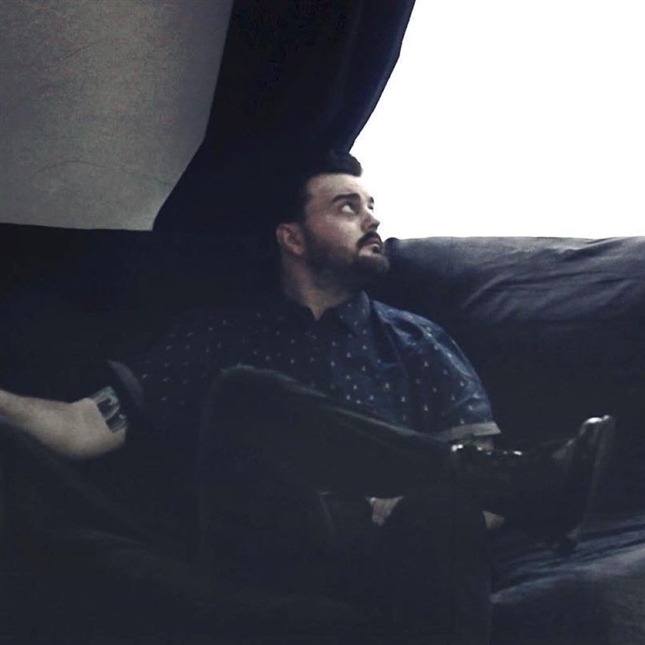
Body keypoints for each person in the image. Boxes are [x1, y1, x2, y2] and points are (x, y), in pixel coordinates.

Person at [0, 150, 615, 644]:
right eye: (348, 207)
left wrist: (407, 501)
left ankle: (481, 489)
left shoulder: (418, 341)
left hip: (385, 555)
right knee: (246, 392)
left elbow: (485, 510)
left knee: (446, 511)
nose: (373, 220)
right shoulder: (218, 334)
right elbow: (84, 428)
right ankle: (518, 482)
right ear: (291, 238)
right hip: (265, 542)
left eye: (372, 206)